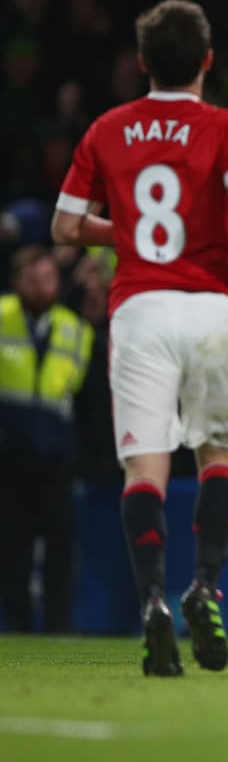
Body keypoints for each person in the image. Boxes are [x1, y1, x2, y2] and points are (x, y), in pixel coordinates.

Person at [50, 0, 228, 676]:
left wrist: (121, 232)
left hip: (140, 308)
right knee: (218, 456)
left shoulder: (108, 128)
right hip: (210, 306)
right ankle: (204, 585)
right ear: (208, 60)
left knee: (143, 467)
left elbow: (65, 226)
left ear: (143, 61)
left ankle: (151, 597)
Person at [0, 246, 94, 633]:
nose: (41, 287)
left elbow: (84, 401)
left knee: (60, 547)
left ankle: (58, 628)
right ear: (16, 282)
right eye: (33, 279)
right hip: (8, 453)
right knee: (11, 547)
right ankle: (18, 626)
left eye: (48, 279)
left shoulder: (76, 330)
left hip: (56, 456)